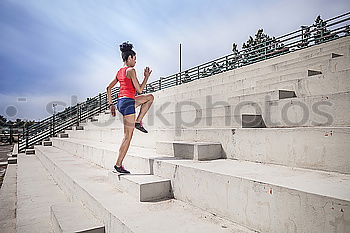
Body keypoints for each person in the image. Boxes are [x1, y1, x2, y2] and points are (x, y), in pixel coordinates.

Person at [106, 41, 154, 174]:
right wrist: (146, 77)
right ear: (129, 58)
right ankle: (118, 164)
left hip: (122, 102)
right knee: (128, 136)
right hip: (128, 102)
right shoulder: (131, 70)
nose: (136, 61)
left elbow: (109, 88)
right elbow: (139, 89)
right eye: (134, 58)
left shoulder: (119, 71)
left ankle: (138, 121)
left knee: (149, 98)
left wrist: (111, 104)